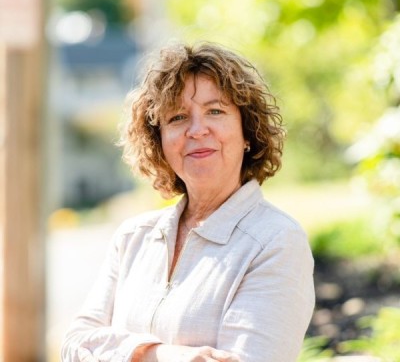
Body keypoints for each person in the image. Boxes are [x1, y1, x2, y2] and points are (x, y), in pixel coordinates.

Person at [61, 42, 315, 362]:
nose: (197, 130)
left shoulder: (275, 241)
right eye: (178, 117)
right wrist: (165, 355)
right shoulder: (133, 238)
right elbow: (74, 345)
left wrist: (117, 350)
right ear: (160, 140)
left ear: (247, 130)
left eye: (215, 111)